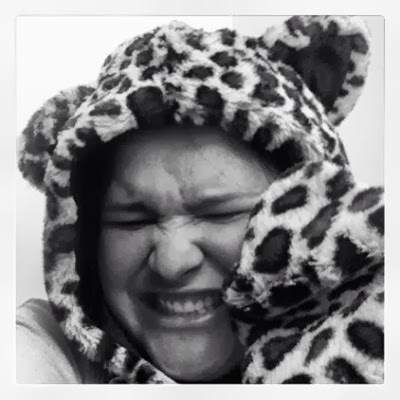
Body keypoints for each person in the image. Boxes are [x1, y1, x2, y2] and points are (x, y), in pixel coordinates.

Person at [17, 16, 384, 384]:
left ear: (314, 212)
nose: (172, 262)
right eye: (132, 220)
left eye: (219, 213)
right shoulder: (46, 345)